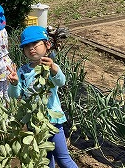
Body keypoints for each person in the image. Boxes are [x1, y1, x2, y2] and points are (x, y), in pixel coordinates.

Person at [7, 26, 78, 168]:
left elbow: (61, 82)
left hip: (53, 121)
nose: (31, 48)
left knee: (63, 159)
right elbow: (15, 96)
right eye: (27, 46)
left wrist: (54, 69)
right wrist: (14, 84)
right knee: (44, 160)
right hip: (34, 123)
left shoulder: (51, 67)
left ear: (47, 45)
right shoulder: (23, 71)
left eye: (35, 44)